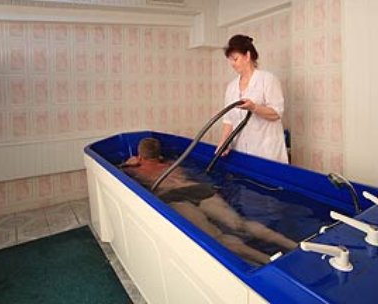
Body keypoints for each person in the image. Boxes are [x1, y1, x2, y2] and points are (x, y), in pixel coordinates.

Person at [122, 137, 297, 264]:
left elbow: (121, 174)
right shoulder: (170, 164)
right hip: (198, 189)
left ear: (140, 155)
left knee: (218, 237)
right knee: (240, 224)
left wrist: (128, 164)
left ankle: (267, 261)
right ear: (159, 154)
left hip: (173, 197)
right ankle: (292, 245)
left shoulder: (134, 169)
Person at [217, 34, 289, 163]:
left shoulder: (268, 80)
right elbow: (228, 120)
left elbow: (277, 113)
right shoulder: (231, 87)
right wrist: (224, 142)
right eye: (230, 60)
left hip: (266, 153)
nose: (232, 64)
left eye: (235, 59)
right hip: (240, 152)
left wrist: (254, 107)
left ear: (247, 56)